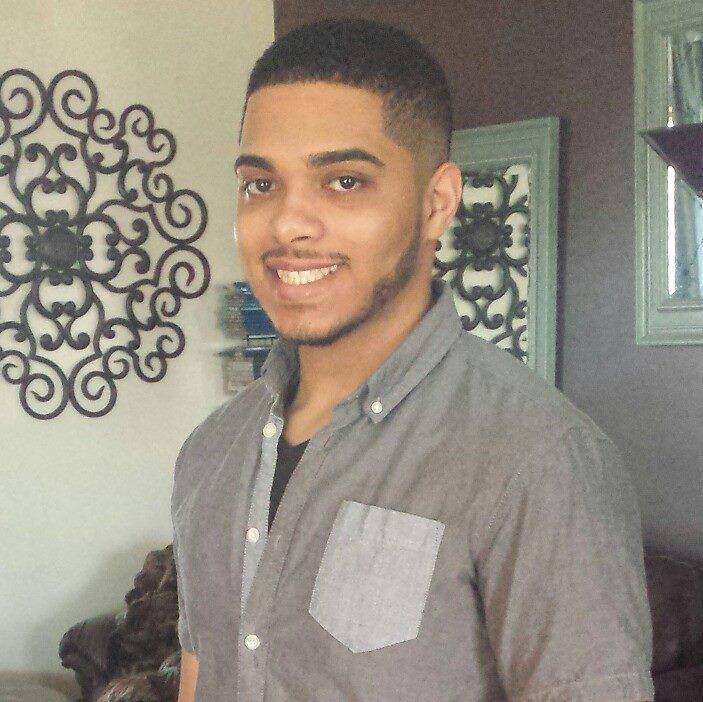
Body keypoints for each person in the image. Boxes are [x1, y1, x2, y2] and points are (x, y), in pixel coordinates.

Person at [172, 18, 655, 702]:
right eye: (259, 184)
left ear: (436, 204)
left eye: (344, 181)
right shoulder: (210, 452)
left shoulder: (537, 459)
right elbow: (200, 668)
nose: (286, 224)